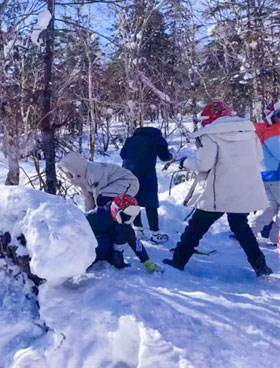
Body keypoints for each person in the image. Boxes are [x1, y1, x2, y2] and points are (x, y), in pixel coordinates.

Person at [163, 102, 273, 277]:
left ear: (211, 118)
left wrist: (184, 162)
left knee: (195, 228)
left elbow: (204, 164)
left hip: (218, 193)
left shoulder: (210, 135)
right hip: (244, 189)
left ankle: (178, 261)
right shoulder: (249, 132)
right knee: (241, 229)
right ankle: (261, 267)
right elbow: (258, 157)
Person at [120, 126, 173, 244]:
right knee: (151, 203)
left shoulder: (130, 140)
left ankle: (138, 230)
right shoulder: (157, 139)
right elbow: (164, 157)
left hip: (129, 174)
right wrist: (171, 155)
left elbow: (122, 155)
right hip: (147, 174)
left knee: (133, 201)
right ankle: (155, 234)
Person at [87, 193, 161, 273]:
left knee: (121, 232)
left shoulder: (124, 225)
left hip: (109, 251)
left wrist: (147, 261)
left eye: (130, 216)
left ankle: (116, 258)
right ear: (117, 210)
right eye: (126, 215)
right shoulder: (97, 215)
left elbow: (136, 243)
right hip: (90, 248)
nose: (128, 218)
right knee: (104, 240)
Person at [58, 151, 139, 210]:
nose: (70, 175)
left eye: (70, 171)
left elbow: (98, 198)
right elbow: (88, 199)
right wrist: (88, 217)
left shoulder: (93, 173)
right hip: (114, 185)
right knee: (103, 201)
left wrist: (96, 217)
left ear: (75, 168)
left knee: (103, 200)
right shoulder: (82, 177)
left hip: (128, 182)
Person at [252, 102, 280, 247]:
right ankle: (276, 239)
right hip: (276, 175)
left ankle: (250, 232)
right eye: (279, 116)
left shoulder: (263, 131)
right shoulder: (273, 132)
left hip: (266, 175)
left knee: (269, 207)